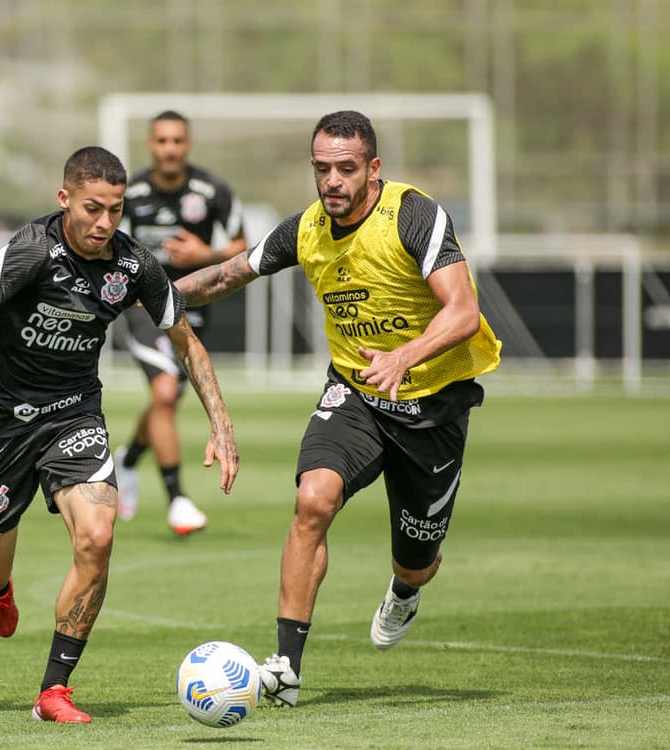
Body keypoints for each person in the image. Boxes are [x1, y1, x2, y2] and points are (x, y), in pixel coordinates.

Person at [174, 111, 502, 707]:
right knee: (312, 499)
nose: (332, 181)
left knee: (417, 560)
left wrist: (404, 357)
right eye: (322, 168)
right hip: (354, 395)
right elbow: (230, 274)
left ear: (373, 170)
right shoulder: (304, 230)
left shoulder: (414, 215)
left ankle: (405, 589)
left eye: (346, 169)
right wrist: (156, 295)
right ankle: (285, 670)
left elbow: (463, 313)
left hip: (433, 405)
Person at [0, 146, 240, 723]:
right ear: (64, 198)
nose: (104, 224)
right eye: (93, 208)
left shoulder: (131, 264)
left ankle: (54, 692)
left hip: (73, 417)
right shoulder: (29, 252)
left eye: (115, 211)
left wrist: (222, 427)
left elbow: (186, 340)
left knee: (97, 537)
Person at [113, 110, 248, 536]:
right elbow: (107, 240)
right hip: (143, 310)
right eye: (161, 141)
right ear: (150, 145)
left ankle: (128, 460)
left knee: (163, 402)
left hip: (192, 310)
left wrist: (205, 255)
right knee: (166, 393)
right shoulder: (131, 193)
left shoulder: (211, 191)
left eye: (177, 141)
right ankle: (177, 501)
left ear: (187, 144)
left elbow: (243, 243)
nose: (169, 149)